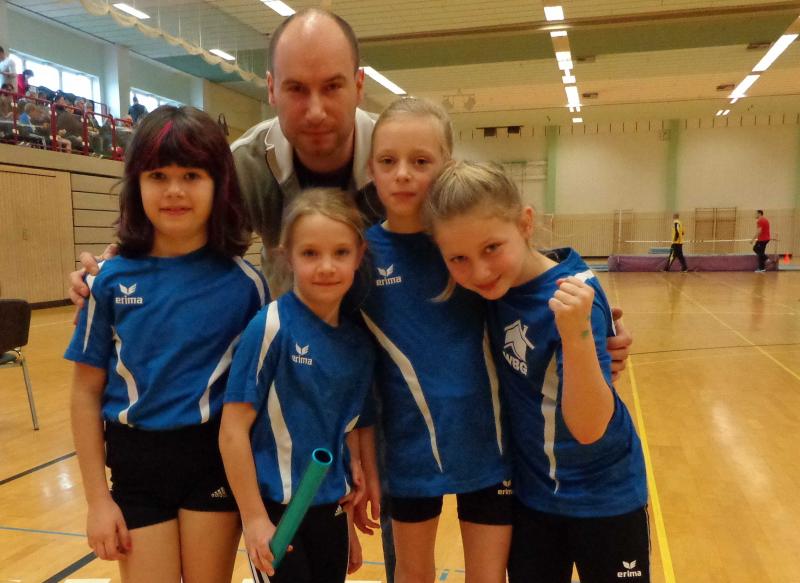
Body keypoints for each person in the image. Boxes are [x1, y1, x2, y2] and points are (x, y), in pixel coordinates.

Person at [66, 9, 634, 580]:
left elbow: (496, 242)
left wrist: (584, 329)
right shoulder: (242, 167)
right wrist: (115, 266)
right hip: (308, 410)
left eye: (332, 86)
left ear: (359, 85)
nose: (315, 109)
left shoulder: (409, 153)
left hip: (425, 418)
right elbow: (180, 222)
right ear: (271, 89)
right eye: (296, 89)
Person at [64, 105, 269, 583]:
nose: (174, 190)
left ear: (219, 185)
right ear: (136, 184)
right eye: (158, 175)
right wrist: (97, 501)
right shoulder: (108, 281)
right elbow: (84, 392)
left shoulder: (247, 286)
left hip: (213, 462)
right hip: (136, 468)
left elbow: (261, 398)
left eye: (191, 175)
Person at [426, 161, 650, 583]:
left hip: (606, 494)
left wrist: (578, 336)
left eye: (492, 248)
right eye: (458, 258)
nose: (479, 271)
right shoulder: (493, 289)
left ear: (526, 223)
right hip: (534, 500)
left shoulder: (573, 296)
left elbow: (589, 428)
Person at [219, 187, 376, 583]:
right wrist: (254, 518)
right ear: (287, 256)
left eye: (340, 252)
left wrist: (347, 518)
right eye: (310, 253)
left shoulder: (359, 344)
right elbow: (232, 430)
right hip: (276, 513)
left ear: (359, 255)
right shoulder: (271, 326)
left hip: (331, 510)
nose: (326, 266)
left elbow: (346, 431)